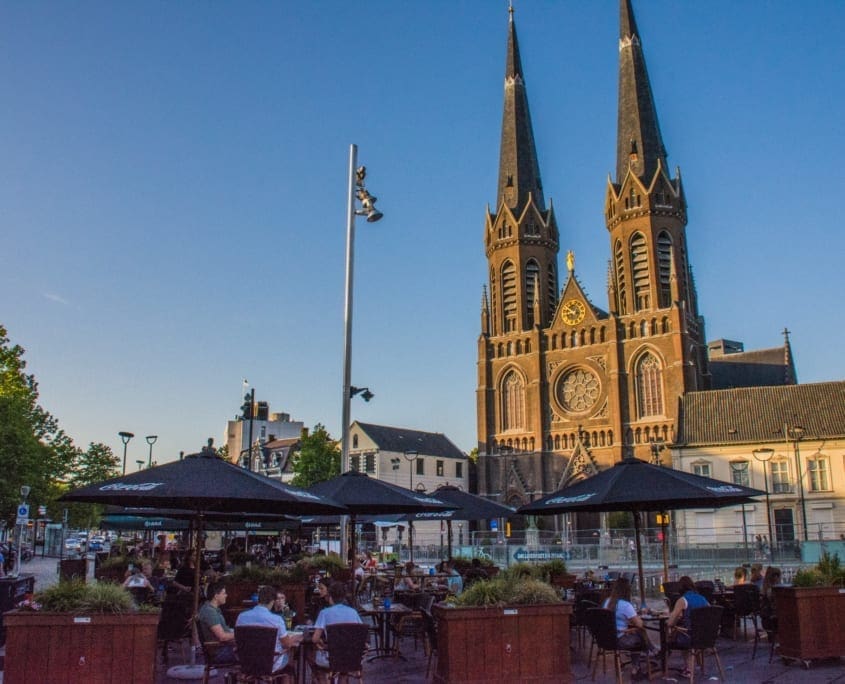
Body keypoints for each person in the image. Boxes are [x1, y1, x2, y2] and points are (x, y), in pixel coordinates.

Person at [236, 585, 302, 674]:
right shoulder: (276, 620)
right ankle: (288, 676)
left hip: (246, 663)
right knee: (289, 655)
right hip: (271, 664)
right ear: (272, 601)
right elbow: (287, 644)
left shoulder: (241, 617)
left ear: (258, 599)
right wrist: (296, 637)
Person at [602, 577, 655, 681]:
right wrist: (639, 616)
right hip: (620, 641)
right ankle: (637, 668)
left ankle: (652, 651)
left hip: (606, 640)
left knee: (636, 633)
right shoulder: (626, 605)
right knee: (641, 634)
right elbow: (639, 624)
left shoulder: (607, 602)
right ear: (627, 590)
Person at [310, 581, 363, 679]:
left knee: (312, 657)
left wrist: (321, 642)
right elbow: (361, 633)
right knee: (343, 670)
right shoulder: (353, 612)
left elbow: (314, 639)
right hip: (351, 658)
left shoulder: (324, 613)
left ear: (330, 596)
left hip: (331, 658)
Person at [197, 581, 237, 664]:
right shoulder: (210, 612)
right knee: (254, 650)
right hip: (220, 652)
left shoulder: (211, 609)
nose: (226, 595)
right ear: (216, 596)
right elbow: (222, 637)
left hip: (223, 648)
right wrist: (241, 634)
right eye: (224, 593)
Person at [666, 576, 709, 648]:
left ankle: (665, 653)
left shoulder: (682, 600)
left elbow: (670, 623)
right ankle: (696, 657)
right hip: (704, 637)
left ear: (680, 588)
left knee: (672, 631)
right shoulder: (703, 599)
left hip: (689, 637)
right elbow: (711, 614)